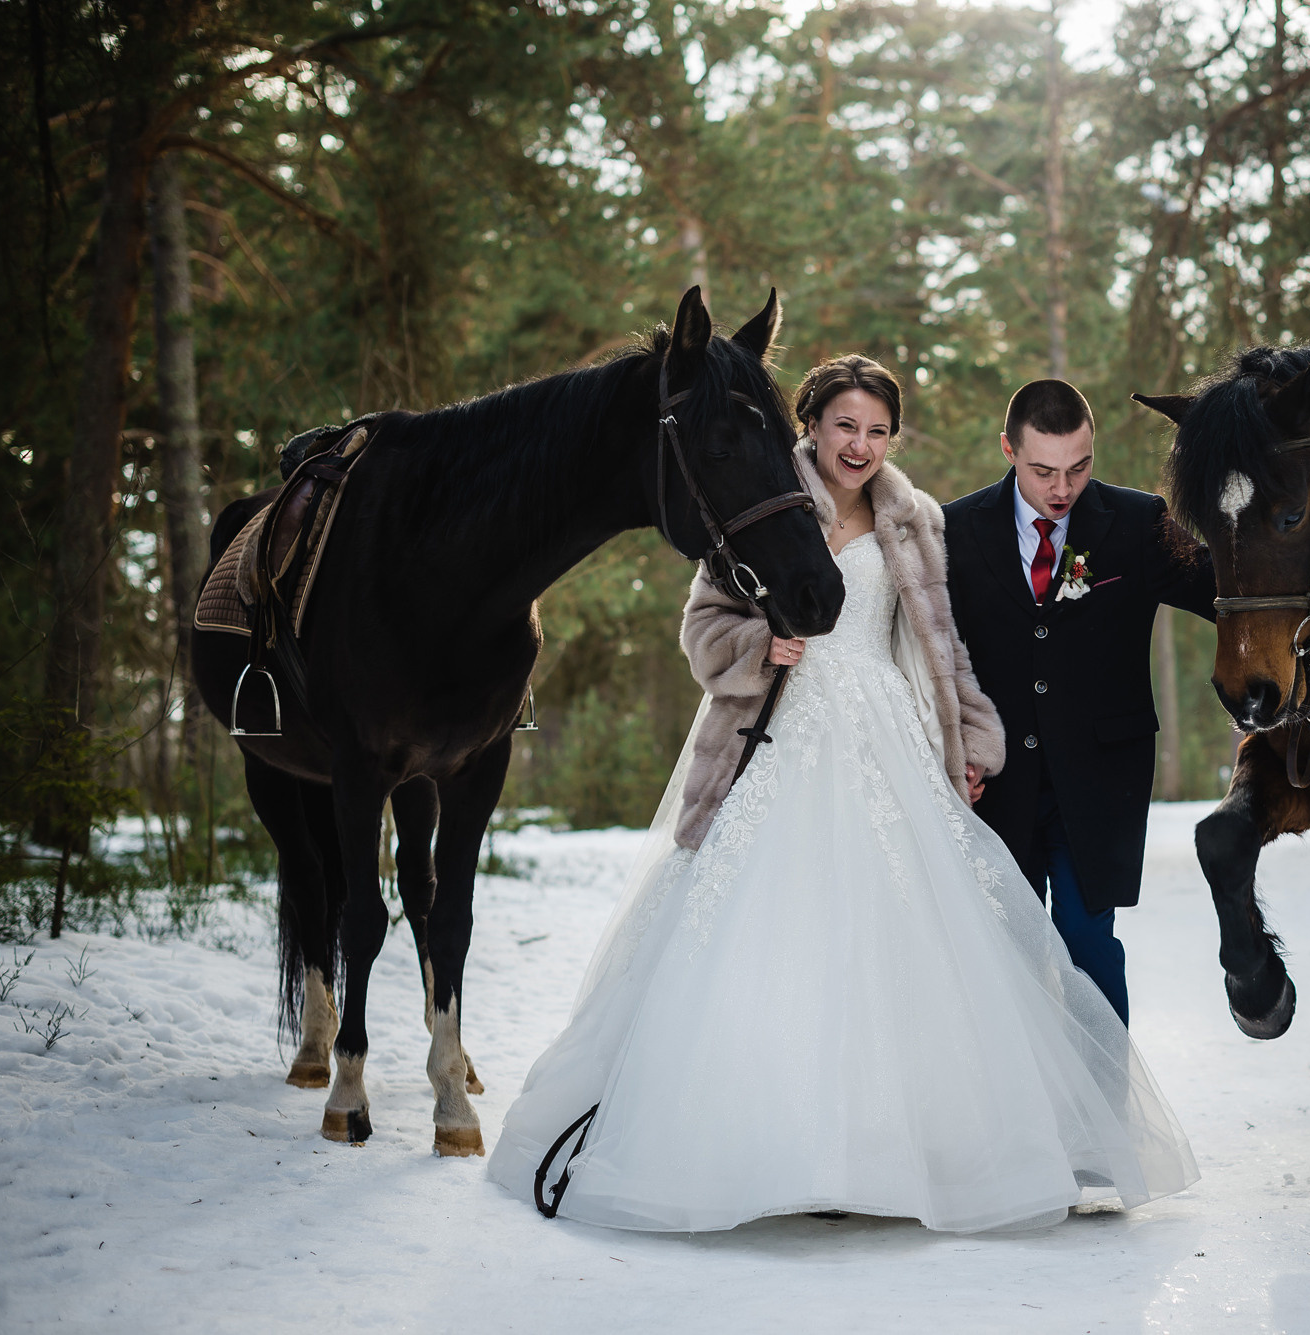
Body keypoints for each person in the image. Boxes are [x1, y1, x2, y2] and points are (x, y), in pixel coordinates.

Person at [487, 355, 1198, 1234]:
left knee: (898, 945)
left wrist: (966, 738)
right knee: (771, 940)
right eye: (844, 426)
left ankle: (890, 1152)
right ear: (812, 428)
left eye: (876, 430)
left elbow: (942, 649)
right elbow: (701, 628)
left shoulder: (915, 522)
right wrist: (758, 649)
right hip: (777, 740)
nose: (859, 445)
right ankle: (774, 1147)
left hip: (883, 737)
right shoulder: (759, 500)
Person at [943, 380, 1310, 1025]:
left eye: (1079, 467)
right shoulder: (955, 530)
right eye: (1043, 470)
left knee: (1088, 943)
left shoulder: (1137, 524)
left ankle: (1104, 1109)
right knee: (1006, 953)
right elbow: (937, 656)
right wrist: (951, 746)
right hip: (994, 785)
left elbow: (1231, 590)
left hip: (1099, 781)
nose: (1062, 488)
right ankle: (1020, 1116)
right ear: (1008, 449)